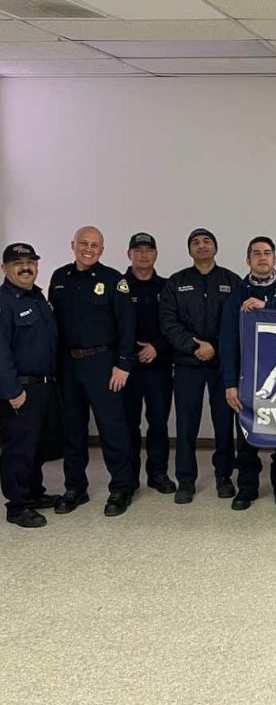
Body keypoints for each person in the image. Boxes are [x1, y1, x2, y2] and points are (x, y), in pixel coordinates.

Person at [49, 226, 136, 517]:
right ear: (72, 244)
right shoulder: (59, 278)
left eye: (95, 245)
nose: (88, 249)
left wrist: (123, 363)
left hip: (103, 363)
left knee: (112, 428)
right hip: (68, 365)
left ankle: (121, 488)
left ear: (102, 249)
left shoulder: (114, 280)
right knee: (73, 429)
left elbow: (127, 324)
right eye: (83, 243)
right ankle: (75, 487)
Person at [220, 236, 276, 510]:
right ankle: (247, 488)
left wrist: (267, 306)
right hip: (249, 378)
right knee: (247, 437)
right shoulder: (237, 293)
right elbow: (227, 341)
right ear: (248, 260)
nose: (262, 257)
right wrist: (229, 383)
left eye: (267, 253)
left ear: (275, 259)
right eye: (256, 253)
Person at [159, 228, 239, 504]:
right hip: (187, 364)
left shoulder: (231, 281)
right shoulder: (176, 282)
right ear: (189, 249)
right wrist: (195, 346)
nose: (201, 246)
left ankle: (224, 477)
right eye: (195, 242)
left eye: (207, 241)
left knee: (224, 424)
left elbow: (237, 320)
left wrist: (215, 346)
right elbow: (168, 322)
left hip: (222, 365)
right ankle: (185, 480)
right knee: (186, 425)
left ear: (215, 247)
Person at [0, 243, 62, 528]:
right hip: (20, 389)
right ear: (4, 268)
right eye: (18, 263)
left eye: (30, 262)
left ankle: (34, 493)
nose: (26, 267)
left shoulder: (37, 297)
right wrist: (13, 392)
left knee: (37, 445)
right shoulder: (5, 302)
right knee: (19, 449)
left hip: (45, 386)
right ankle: (17, 505)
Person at [122, 232, 175, 495]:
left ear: (156, 254)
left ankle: (158, 474)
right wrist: (131, 353)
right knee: (128, 424)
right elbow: (111, 327)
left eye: (148, 250)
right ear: (128, 254)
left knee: (158, 424)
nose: (143, 254)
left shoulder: (167, 287)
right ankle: (129, 478)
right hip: (126, 369)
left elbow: (174, 325)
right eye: (138, 250)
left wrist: (157, 347)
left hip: (159, 366)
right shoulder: (117, 285)